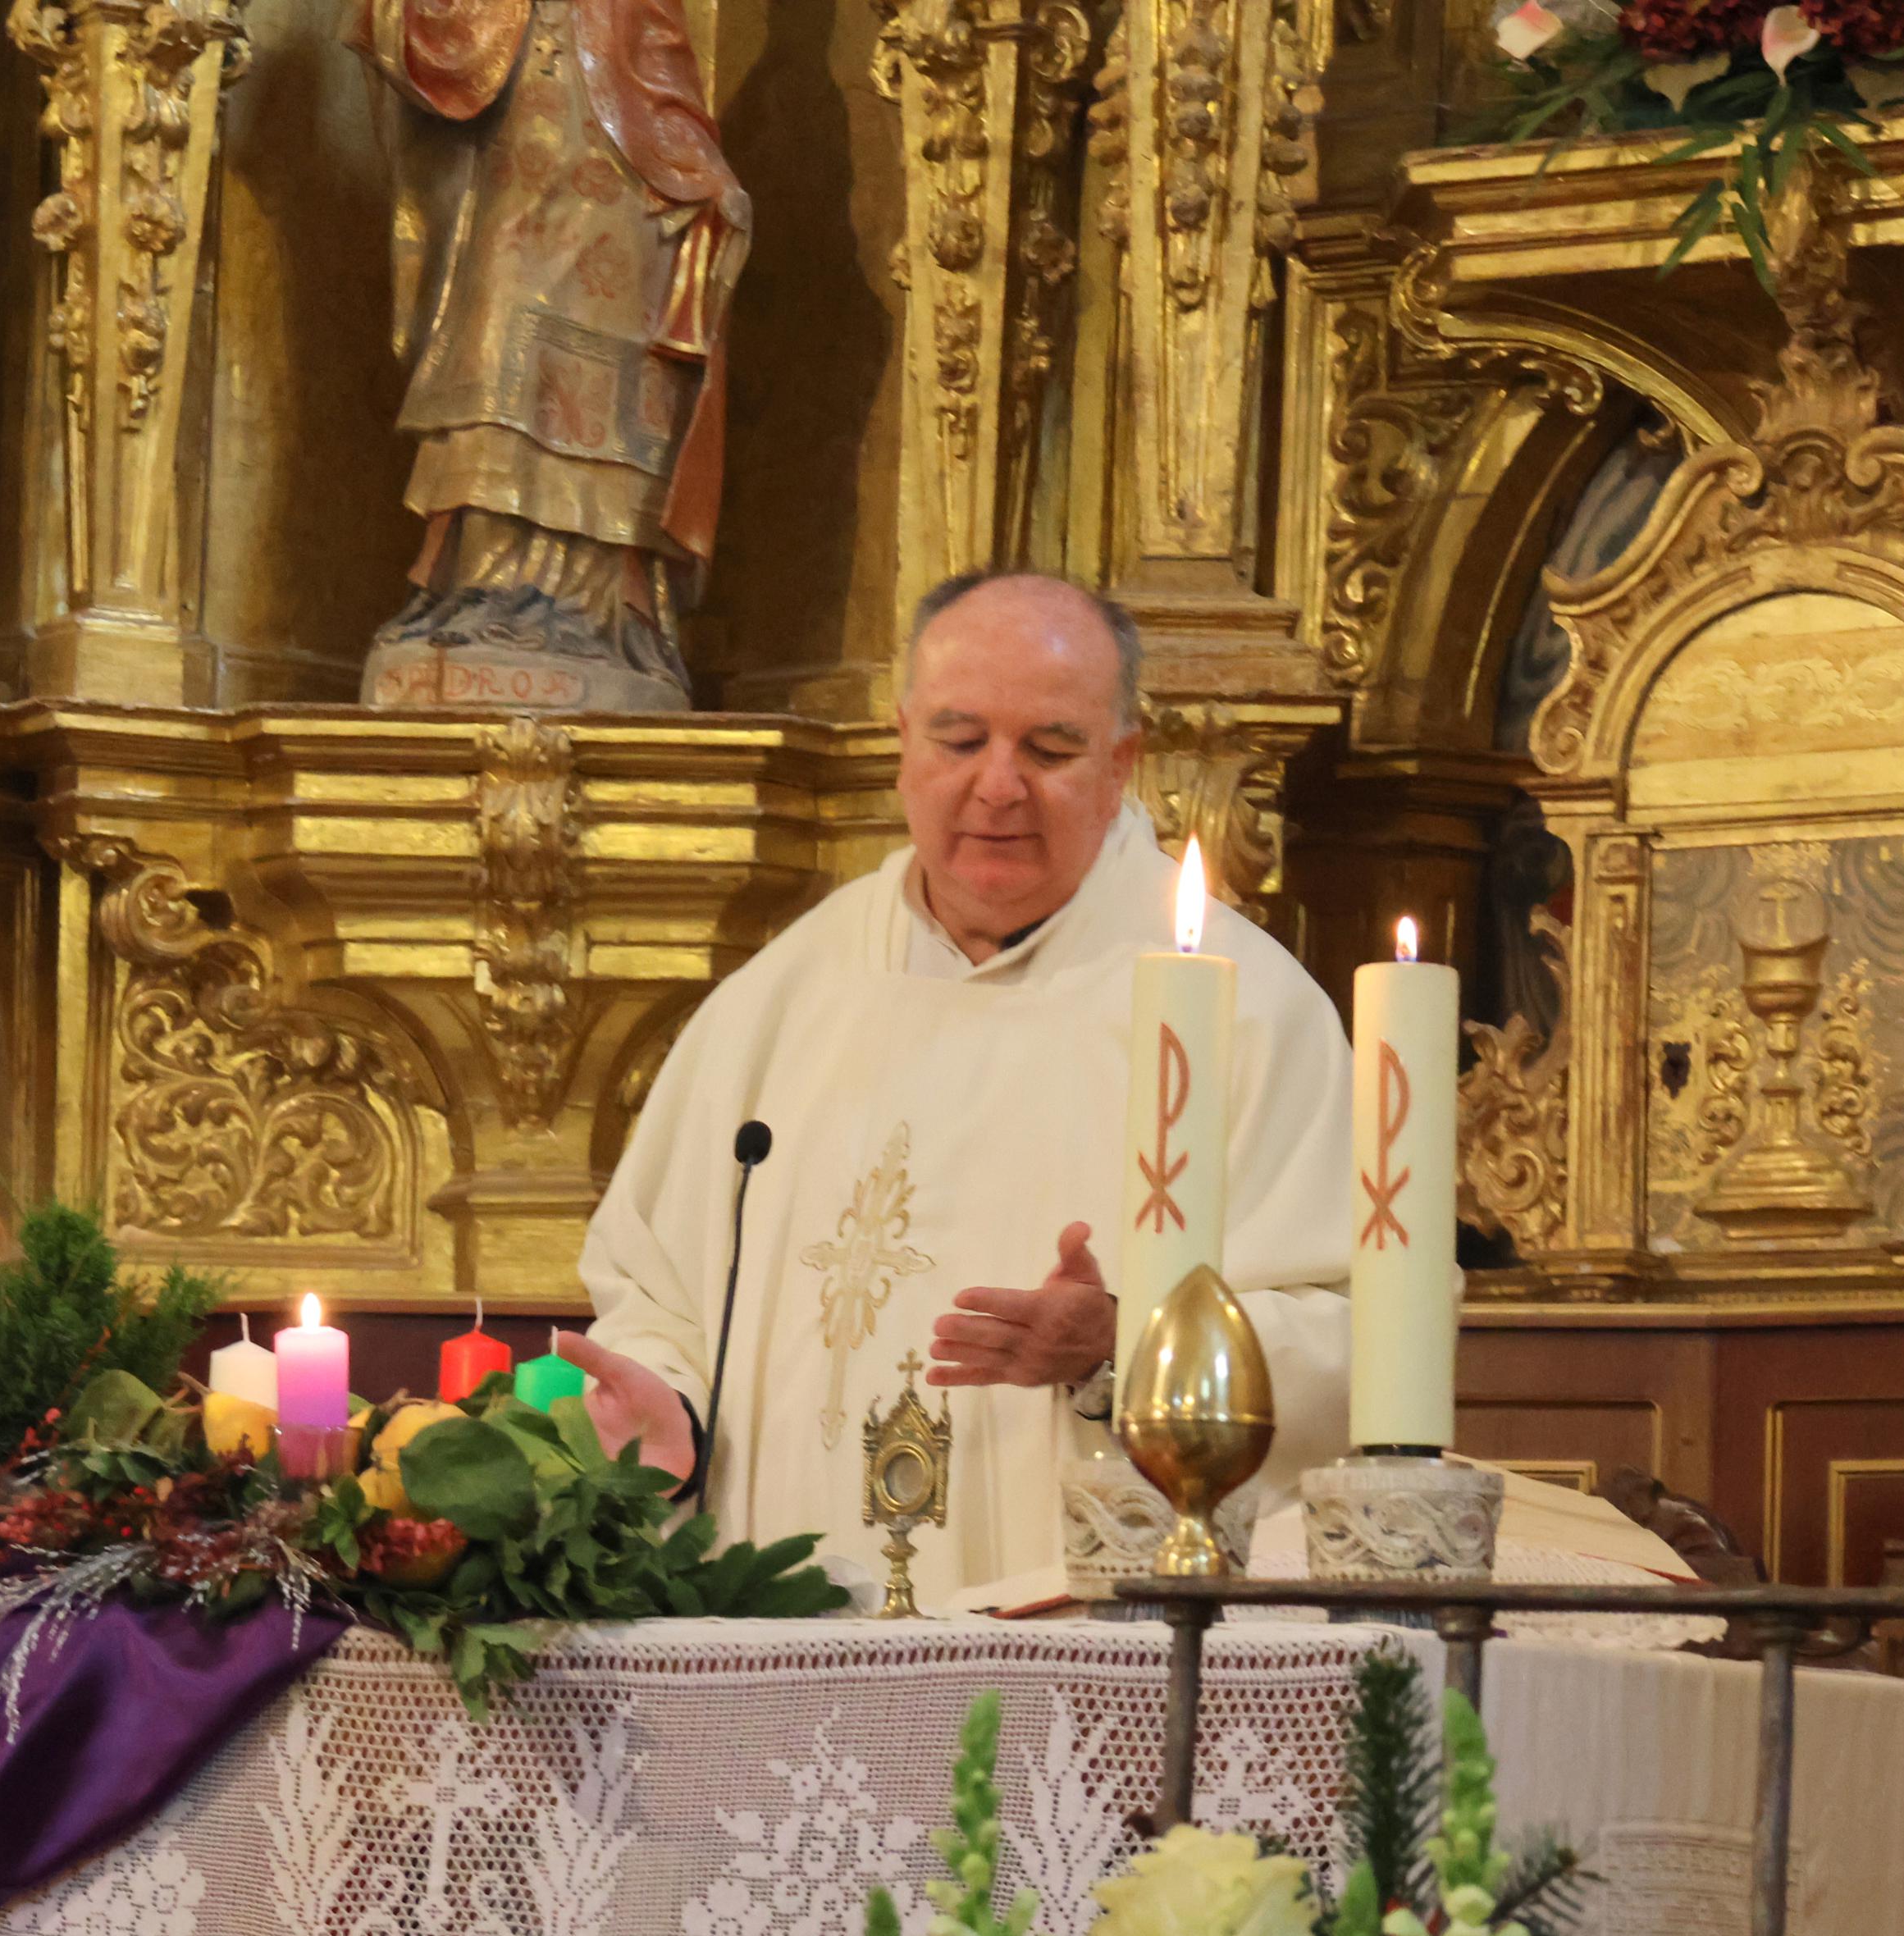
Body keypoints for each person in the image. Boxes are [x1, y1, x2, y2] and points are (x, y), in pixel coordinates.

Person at [568, 572, 1355, 1610]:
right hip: (779, 1632)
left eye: (1049, 748)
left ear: (1122, 764)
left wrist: (1123, 1343)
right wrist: (665, 1404)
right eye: (957, 739)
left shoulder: (1245, 1010)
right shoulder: (782, 995)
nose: (997, 786)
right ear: (902, 741)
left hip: (1080, 1638)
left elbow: (1352, 1335)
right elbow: (655, 1287)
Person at [346, 0, 748, 710]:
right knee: (493, 350)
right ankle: (483, 589)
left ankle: (605, 616)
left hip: (625, 194)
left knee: (620, 383)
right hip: (513, 175)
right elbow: (424, 38)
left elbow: (660, 64)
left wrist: (701, 170)